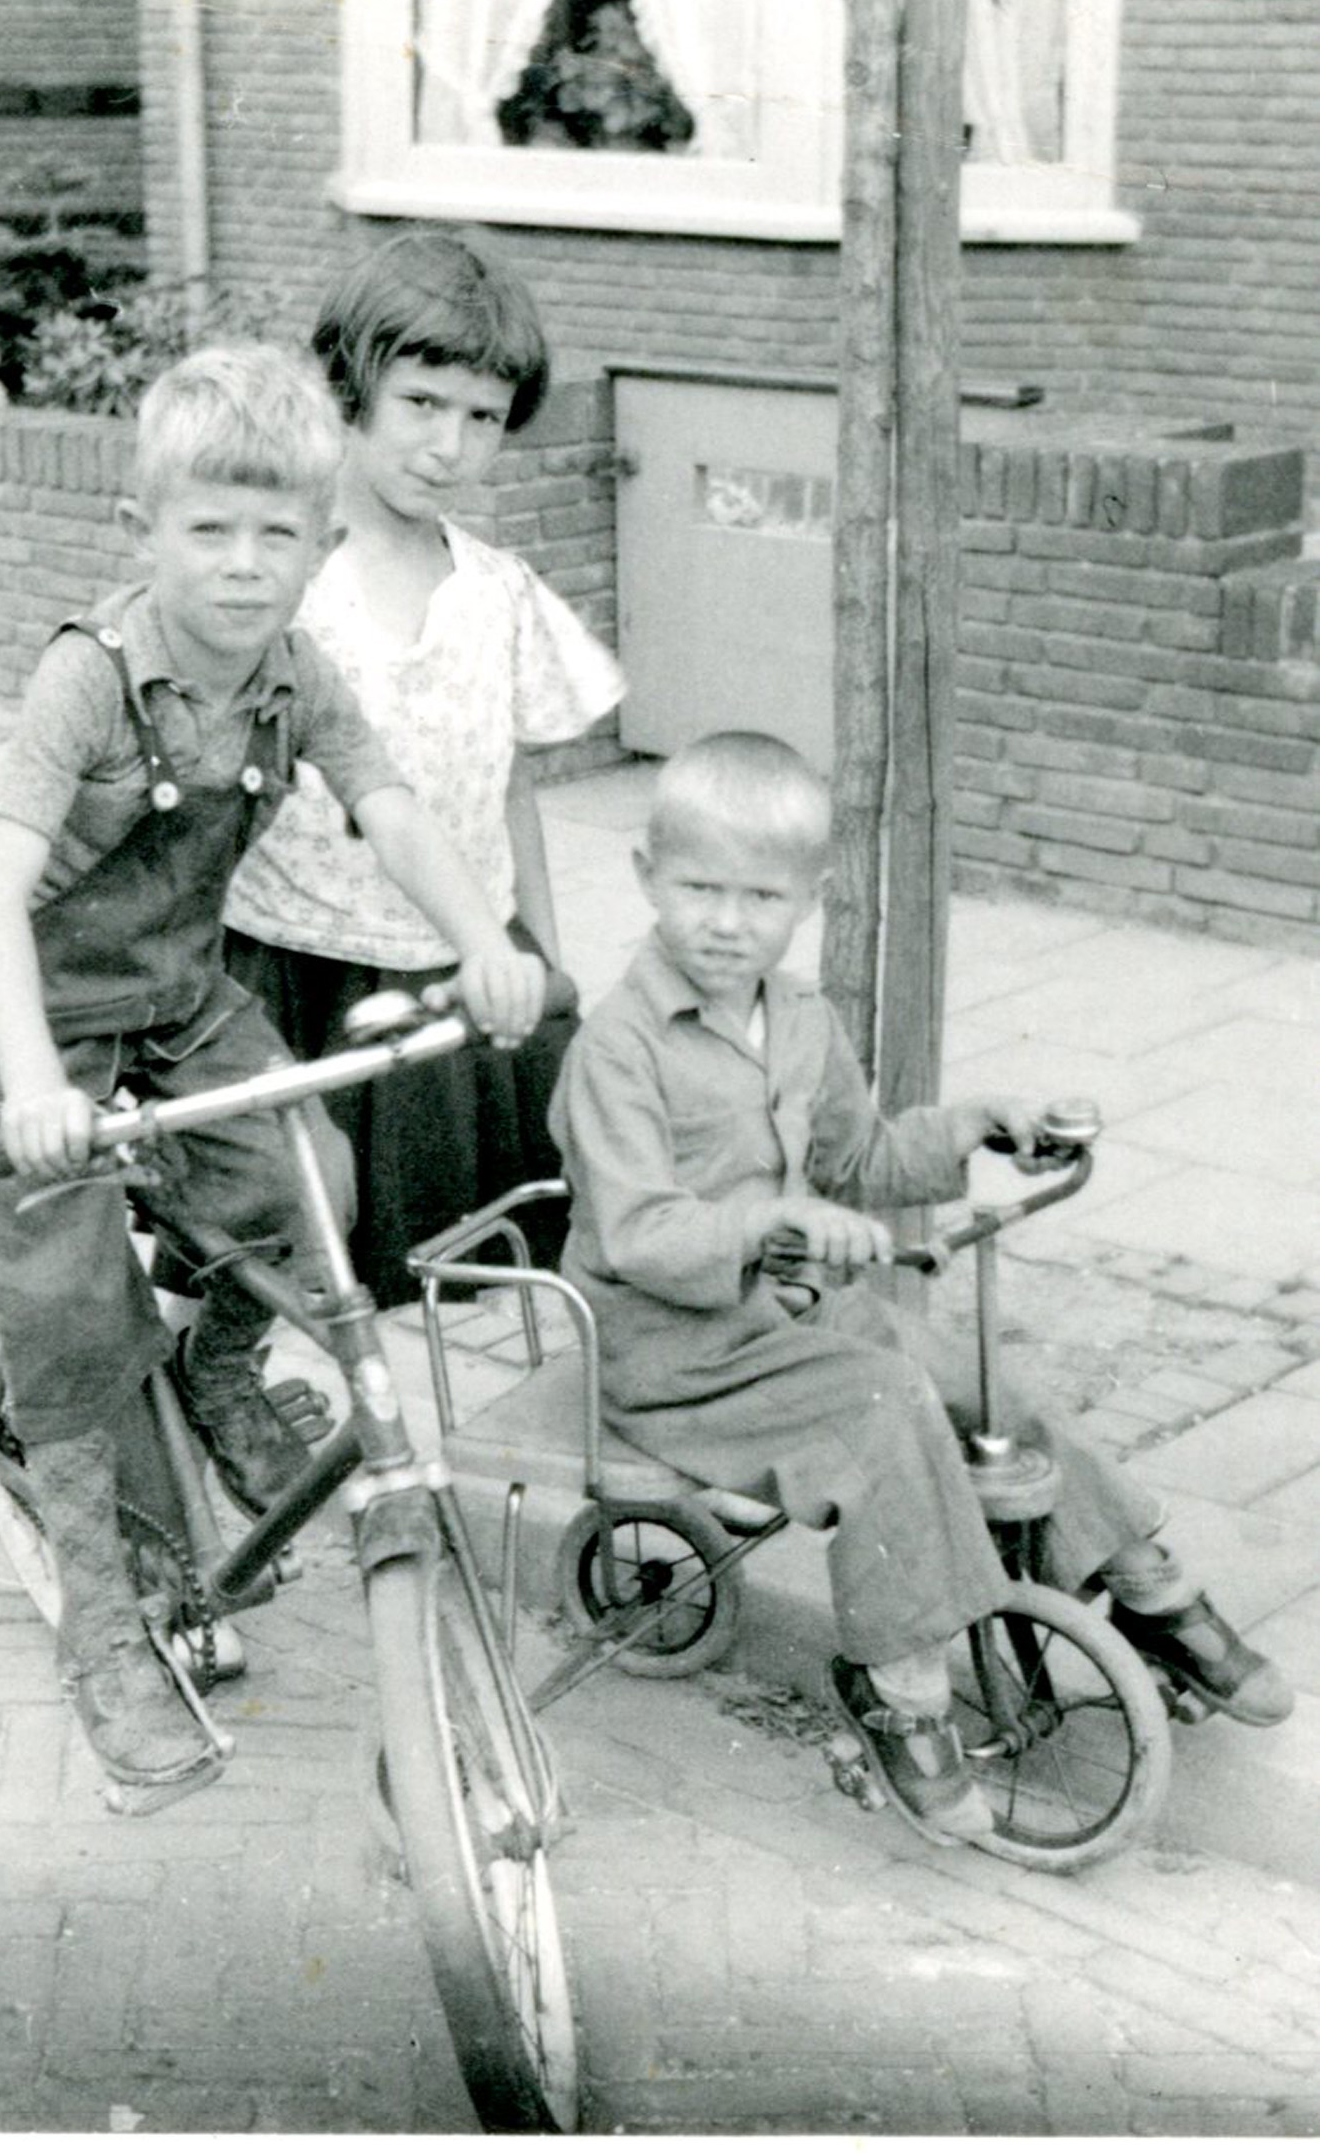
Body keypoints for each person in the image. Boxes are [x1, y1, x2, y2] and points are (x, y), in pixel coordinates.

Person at [0, 342, 546, 1809]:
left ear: (319, 545)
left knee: (311, 1180)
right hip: (41, 1025)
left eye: (276, 534)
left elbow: (393, 811)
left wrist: (487, 940)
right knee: (74, 1324)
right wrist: (30, 1081)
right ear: (143, 530)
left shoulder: (293, 675)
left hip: (177, 1001)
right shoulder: (87, 678)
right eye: (206, 530)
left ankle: (215, 1367)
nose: (239, 565)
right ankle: (103, 1634)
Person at [551, 730, 1292, 1845]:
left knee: (990, 1381)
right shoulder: (616, 1047)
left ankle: (1148, 1591)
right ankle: (897, 1689)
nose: (724, 920)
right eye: (698, 888)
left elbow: (858, 1160)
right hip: (673, 1349)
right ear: (646, 877)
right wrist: (775, 1221)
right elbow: (642, 1231)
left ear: (806, 897)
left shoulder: (798, 1018)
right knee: (883, 1409)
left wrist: (972, 1126)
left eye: (758, 895)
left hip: (793, 1317)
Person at [224, 231, 624, 1308]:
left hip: (458, 963)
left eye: (481, 417)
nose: (448, 445)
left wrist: (541, 956)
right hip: (300, 965)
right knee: (281, 1249)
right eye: (421, 403)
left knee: (456, 1265)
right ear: (352, 385)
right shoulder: (282, 577)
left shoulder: (496, 592)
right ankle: (218, 1385)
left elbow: (508, 789)